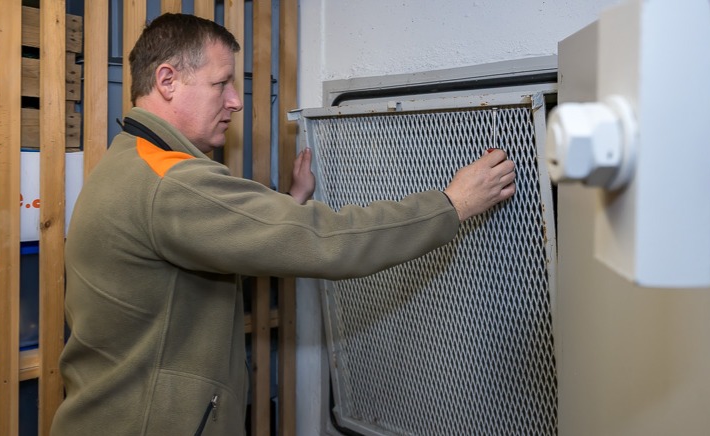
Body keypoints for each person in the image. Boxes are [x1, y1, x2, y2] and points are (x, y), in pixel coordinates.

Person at [50, 13, 516, 436]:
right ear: (167, 80)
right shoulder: (170, 182)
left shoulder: (132, 161)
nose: (235, 101)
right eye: (221, 83)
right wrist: (451, 205)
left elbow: (213, 242)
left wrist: (290, 203)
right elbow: (327, 240)